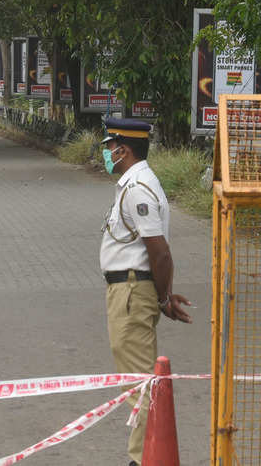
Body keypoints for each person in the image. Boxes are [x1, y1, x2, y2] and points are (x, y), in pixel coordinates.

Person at [99, 118, 192, 466]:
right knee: (138, 384)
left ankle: (143, 461)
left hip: (131, 293)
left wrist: (163, 297)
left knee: (139, 387)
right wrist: (163, 295)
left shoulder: (137, 188)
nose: (107, 153)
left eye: (110, 147)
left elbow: (160, 250)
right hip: (133, 291)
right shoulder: (137, 183)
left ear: (123, 149)